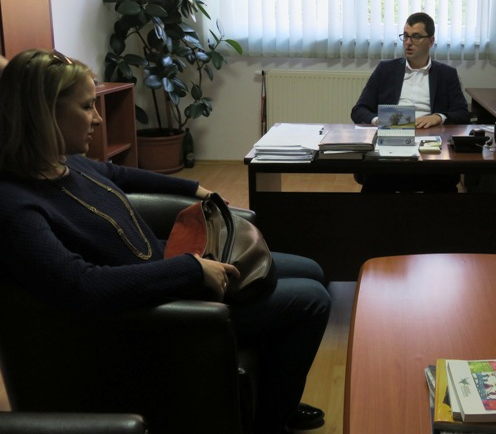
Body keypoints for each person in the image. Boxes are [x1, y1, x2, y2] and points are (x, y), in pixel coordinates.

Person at [0, 49, 330, 434]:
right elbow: (80, 285)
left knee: (311, 270)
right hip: (153, 309)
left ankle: (276, 393)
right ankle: (269, 422)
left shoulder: (61, 161)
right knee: (312, 299)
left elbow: (119, 175)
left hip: (166, 268)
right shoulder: (15, 205)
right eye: (87, 107)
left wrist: (195, 188)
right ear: (43, 114)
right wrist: (191, 270)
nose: (98, 118)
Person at [350, 12, 470, 192]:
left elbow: (463, 114)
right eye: (405, 36)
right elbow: (359, 110)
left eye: (416, 37)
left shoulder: (446, 74)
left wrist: (438, 117)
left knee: (443, 185)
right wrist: (379, 121)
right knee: (375, 183)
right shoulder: (386, 70)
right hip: (391, 140)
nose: (408, 42)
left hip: (429, 142)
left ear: (430, 41)